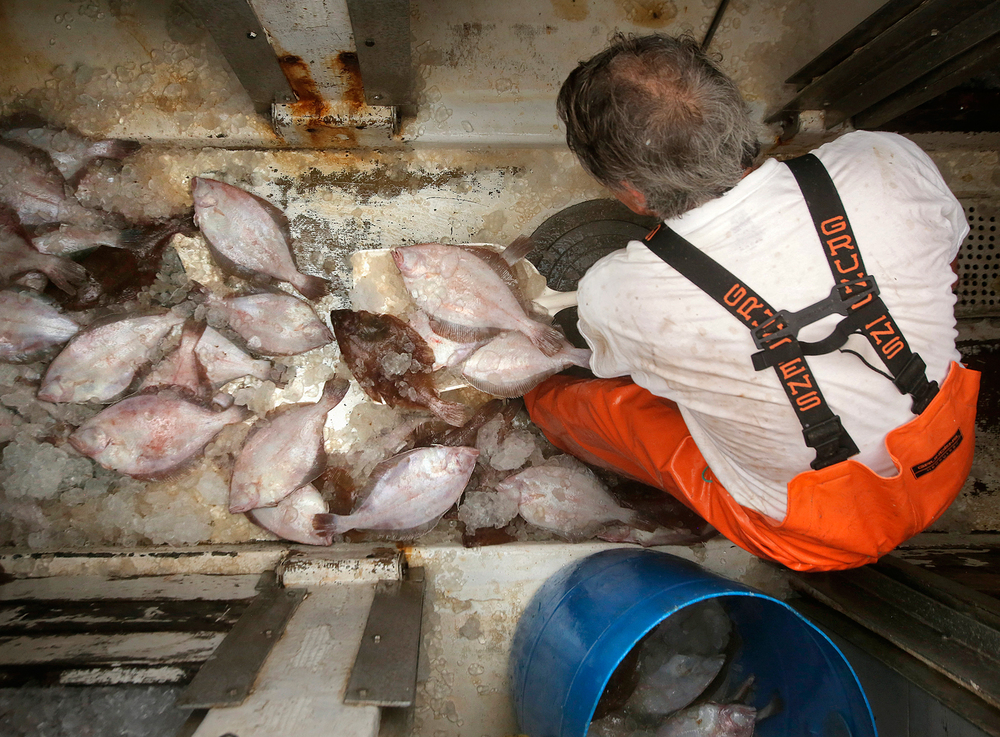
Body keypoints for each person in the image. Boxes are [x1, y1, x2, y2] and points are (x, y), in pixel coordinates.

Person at [524, 33, 980, 571]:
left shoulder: (617, 293)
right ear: (738, 116)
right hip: (947, 452)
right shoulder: (884, 158)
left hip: (817, 536)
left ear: (634, 196)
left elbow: (612, 367)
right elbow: (946, 254)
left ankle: (537, 412)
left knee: (588, 405)